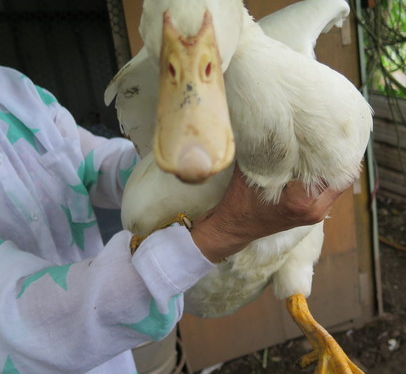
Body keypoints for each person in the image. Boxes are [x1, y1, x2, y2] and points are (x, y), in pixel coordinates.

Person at [0, 66, 341, 373]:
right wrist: (220, 233)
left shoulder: (16, 91)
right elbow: (18, 318)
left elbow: (88, 162)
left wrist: (181, 165)